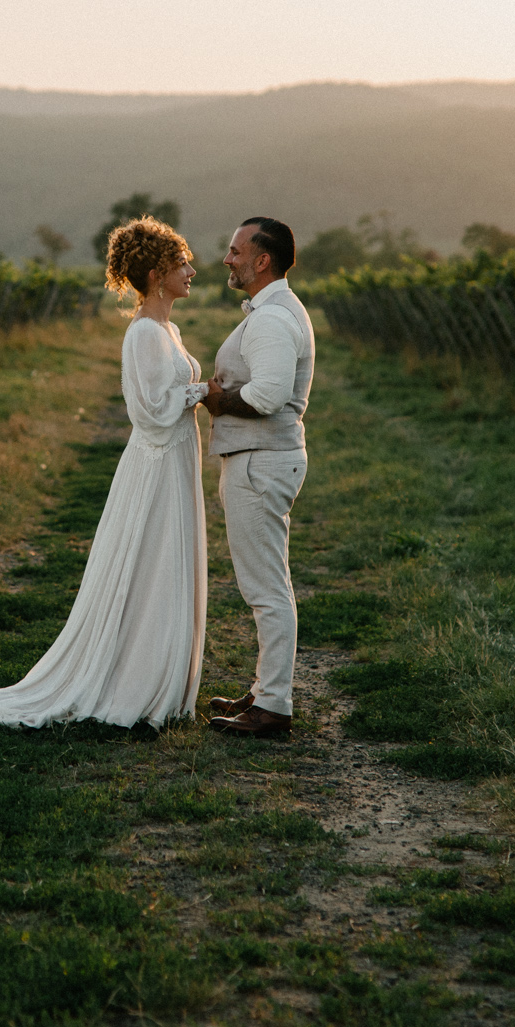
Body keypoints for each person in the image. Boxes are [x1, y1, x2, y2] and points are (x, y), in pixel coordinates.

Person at [0, 217, 209, 731]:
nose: (192, 271)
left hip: (175, 459)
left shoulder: (168, 330)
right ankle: (136, 676)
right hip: (157, 465)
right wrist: (204, 391)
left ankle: (159, 669)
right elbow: (151, 411)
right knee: (152, 561)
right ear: (156, 274)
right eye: (181, 264)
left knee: (164, 560)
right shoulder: (144, 333)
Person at [201, 217, 313, 738]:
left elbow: (267, 396)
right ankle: (266, 690)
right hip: (261, 458)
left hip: (259, 461)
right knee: (269, 583)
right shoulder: (275, 310)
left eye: (235, 251)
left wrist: (216, 400)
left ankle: (272, 706)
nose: (227, 259)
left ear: (261, 260)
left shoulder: (271, 319)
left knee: (265, 588)